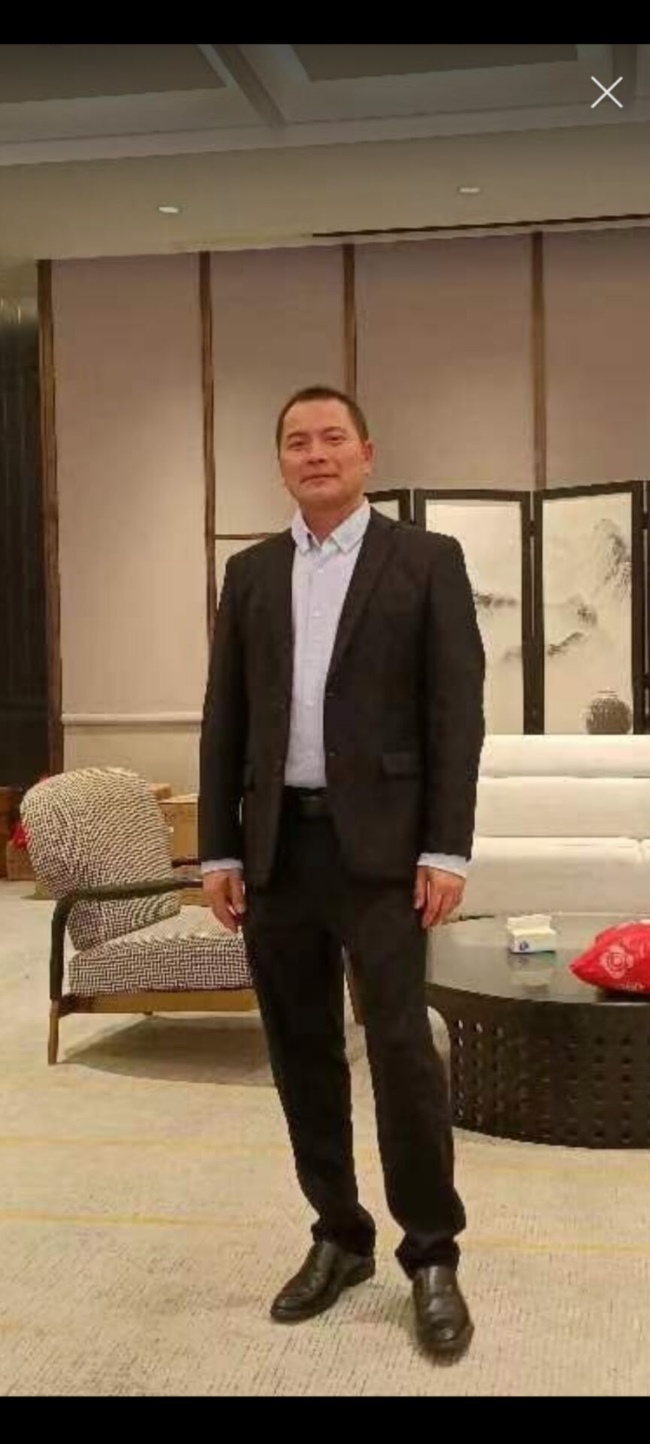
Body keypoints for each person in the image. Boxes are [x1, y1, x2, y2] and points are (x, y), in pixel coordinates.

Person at [199, 385, 485, 1360]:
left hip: (388, 854)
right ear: (280, 461)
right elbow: (225, 718)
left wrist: (446, 847)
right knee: (300, 1048)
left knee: (401, 1050)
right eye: (296, 441)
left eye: (331, 438)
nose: (314, 453)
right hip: (279, 850)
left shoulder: (426, 561)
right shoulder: (249, 574)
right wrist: (220, 846)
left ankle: (431, 1252)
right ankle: (339, 1233)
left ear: (366, 452)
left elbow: (455, 714)